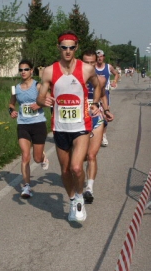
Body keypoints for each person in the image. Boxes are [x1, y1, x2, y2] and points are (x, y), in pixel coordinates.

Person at [36, 31, 102, 223]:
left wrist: (95, 103)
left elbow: (97, 86)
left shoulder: (86, 69)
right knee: (65, 171)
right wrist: (43, 99)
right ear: (59, 48)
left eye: (71, 47)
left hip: (81, 126)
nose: (67, 51)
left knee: (76, 168)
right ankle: (72, 199)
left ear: (76, 48)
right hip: (60, 127)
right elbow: (40, 98)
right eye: (64, 47)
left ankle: (80, 197)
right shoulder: (49, 71)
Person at [8, 59, 49, 199]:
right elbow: (11, 104)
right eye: (21, 70)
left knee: (36, 159)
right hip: (23, 124)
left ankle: (43, 157)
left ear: (32, 71)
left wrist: (39, 105)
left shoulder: (38, 86)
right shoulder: (16, 88)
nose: (23, 72)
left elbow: (49, 100)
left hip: (38, 124)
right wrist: (11, 111)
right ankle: (26, 187)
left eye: (26, 69)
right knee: (25, 155)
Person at [82, 50, 114, 204]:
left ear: (96, 63)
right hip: (79, 120)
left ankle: (89, 188)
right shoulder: (74, 78)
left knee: (91, 156)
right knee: (80, 158)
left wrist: (106, 110)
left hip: (96, 119)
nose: (89, 66)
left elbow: (102, 96)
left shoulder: (100, 79)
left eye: (92, 63)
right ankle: (80, 176)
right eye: (86, 63)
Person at [95, 49, 120, 147]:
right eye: (98, 56)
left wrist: (115, 81)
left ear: (103, 57)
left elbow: (116, 74)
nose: (99, 58)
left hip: (105, 93)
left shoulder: (108, 67)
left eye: (101, 56)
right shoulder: (92, 67)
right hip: (94, 94)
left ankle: (103, 135)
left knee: (105, 114)